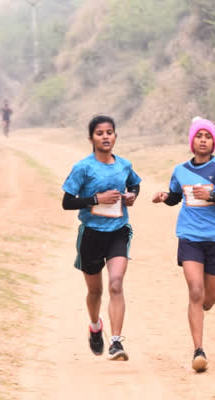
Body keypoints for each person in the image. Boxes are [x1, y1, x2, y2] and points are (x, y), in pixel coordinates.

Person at [151, 117, 215, 372]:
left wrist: (213, 196)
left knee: (208, 299)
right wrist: (164, 197)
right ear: (191, 140)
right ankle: (198, 351)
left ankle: (201, 309)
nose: (202, 140)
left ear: (213, 142)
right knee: (195, 291)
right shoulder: (180, 170)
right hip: (190, 236)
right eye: (198, 136)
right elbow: (174, 197)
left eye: (207, 136)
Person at [62, 115, 142, 361]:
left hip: (118, 231)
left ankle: (116, 342)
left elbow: (135, 185)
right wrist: (97, 200)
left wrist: (131, 196)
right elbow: (67, 202)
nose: (105, 136)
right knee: (95, 292)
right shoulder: (83, 168)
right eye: (100, 133)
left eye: (109, 132)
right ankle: (95, 325)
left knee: (116, 283)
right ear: (91, 138)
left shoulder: (124, 165)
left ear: (115, 136)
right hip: (91, 235)